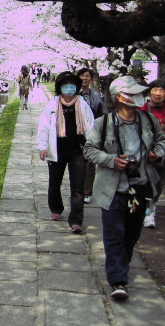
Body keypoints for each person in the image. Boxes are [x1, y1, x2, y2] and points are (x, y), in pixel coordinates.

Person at [83, 76, 165, 300]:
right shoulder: (103, 124)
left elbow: (162, 141)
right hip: (112, 190)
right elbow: (89, 150)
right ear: (120, 97)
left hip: (139, 188)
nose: (139, 97)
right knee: (114, 234)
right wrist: (111, 160)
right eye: (133, 93)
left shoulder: (148, 120)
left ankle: (122, 266)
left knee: (131, 234)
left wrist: (158, 153)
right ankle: (118, 280)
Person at [37, 71, 95, 234]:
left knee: (78, 186)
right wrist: (42, 147)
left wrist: (92, 147)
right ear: (60, 87)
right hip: (57, 149)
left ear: (76, 87)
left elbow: (90, 127)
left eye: (72, 86)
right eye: (65, 85)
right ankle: (56, 209)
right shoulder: (52, 105)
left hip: (77, 150)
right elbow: (44, 127)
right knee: (54, 183)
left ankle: (76, 220)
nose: (69, 89)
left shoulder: (82, 104)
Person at [77, 67, 108, 204]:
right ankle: (77, 189)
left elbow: (103, 114)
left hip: (92, 133)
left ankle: (86, 192)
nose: (84, 78)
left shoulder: (95, 95)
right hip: (76, 134)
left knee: (90, 163)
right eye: (82, 76)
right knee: (77, 163)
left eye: (87, 76)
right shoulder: (73, 94)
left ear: (91, 79)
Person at [140, 79, 165, 228]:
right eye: (155, 90)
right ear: (149, 92)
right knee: (150, 182)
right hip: (149, 152)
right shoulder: (142, 110)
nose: (158, 93)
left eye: (162, 90)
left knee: (160, 183)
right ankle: (149, 211)